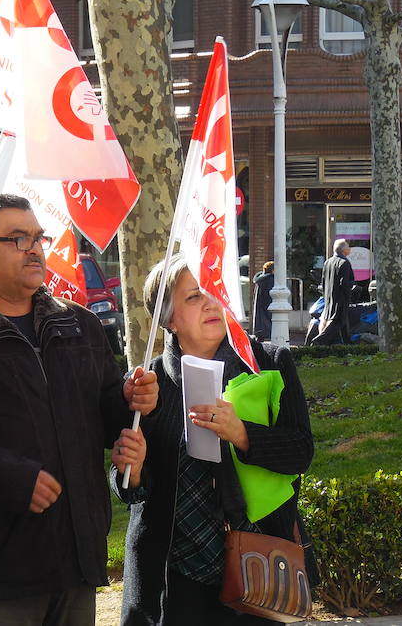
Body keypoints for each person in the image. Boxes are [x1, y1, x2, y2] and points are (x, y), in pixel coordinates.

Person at [0, 193, 158, 626]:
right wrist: (10, 480)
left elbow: (104, 417)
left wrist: (132, 403)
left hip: (76, 560)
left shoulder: (79, 325)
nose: (34, 247)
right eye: (17, 237)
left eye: (37, 237)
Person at [110, 254, 315, 626]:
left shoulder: (269, 362)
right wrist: (133, 471)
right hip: (175, 580)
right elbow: (127, 487)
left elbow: (301, 453)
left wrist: (242, 434)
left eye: (213, 290)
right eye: (193, 297)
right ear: (169, 319)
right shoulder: (148, 383)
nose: (210, 302)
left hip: (259, 567)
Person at [312, 239, 354, 345]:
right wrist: (349, 295)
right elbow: (345, 283)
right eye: (348, 247)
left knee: (328, 318)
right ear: (344, 250)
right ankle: (318, 341)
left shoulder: (328, 262)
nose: (350, 249)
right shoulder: (344, 263)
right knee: (337, 320)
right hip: (340, 298)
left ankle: (347, 344)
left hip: (329, 297)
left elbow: (323, 281)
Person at [251, 261, 274, 341]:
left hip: (259, 306)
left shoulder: (260, 279)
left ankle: (260, 336)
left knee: (260, 326)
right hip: (267, 305)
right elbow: (269, 294)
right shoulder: (270, 279)